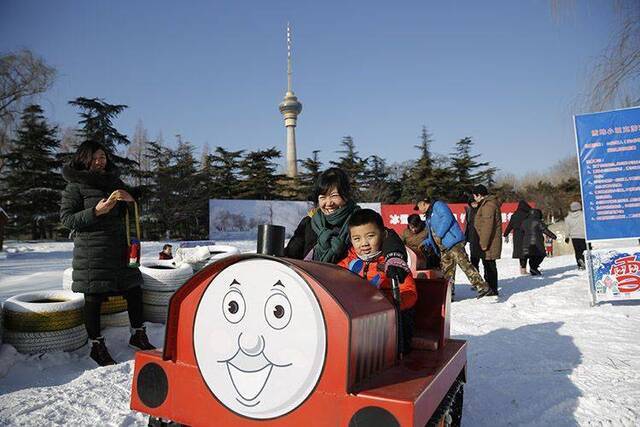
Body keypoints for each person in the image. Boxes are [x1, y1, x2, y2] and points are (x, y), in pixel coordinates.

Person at [60, 141, 155, 367]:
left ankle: (138, 334)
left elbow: (128, 207)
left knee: (134, 290)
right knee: (93, 298)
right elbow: (66, 219)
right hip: (93, 252)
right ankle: (97, 346)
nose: (99, 161)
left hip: (119, 249)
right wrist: (95, 211)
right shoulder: (75, 186)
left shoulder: (115, 182)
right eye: (94, 157)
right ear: (84, 159)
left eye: (102, 156)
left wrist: (130, 199)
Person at [285, 167, 410, 282]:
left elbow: (386, 235)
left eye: (334, 196)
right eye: (322, 197)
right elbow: (290, 255)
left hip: (346, 290)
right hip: (311, 287)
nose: (328, 203)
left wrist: (394, 258)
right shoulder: (309, 223)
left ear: (346, 195)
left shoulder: (357, 219)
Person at [338, 209, 417, 352]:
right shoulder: (345, 264)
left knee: (402, 319)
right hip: (357, 318)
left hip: (386, 318)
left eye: (370, 236)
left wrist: (386, 302)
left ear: (382, 235)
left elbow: (409, 292)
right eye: (357, 239)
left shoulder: (392, 263)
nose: (364, 243)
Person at [416, 198, 491, 298]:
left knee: (464, 264)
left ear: (423, 203)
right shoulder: (428, 216)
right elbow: (432, 234)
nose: (418, 209)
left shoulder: (438, 205)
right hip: (443, 247)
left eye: (418, 207)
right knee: (447, 271)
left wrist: (439, 234)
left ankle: (482, 287)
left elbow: (447, 218)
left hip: (453, 242)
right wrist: (427, 242)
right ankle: (448, 294)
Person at [472, 185, 502, 296]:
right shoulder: (486, 204)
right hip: (488, 241)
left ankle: (492, 289)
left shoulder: (488, 206)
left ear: (479, 195)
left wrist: (483, 244)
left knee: (490, 266)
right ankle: (490, 288)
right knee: (487, 265)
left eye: (474, 196)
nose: (474, 199)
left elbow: (487, 227)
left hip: (489, 242)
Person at [520, 208, 557, 275]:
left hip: (526, 242)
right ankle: (533, 268)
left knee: (531, 256)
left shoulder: (524, 222)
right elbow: (545, 230)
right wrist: (553, 236)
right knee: (541, 255)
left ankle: (533, 269)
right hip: (537, 242)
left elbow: (521, 231)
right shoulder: (538, 221)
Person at [503, 200, 532, 275]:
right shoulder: (528, 215)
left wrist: (505, 234)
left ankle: (522, 269)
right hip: (526, 235)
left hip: (517, 236)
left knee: (520, 253)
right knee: (526, 253)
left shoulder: (514, 215)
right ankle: (525, 269)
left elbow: (510, 226)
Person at [564, 201, 586, 270]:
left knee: (577, 251)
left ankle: (580, 264)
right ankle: (586, 261)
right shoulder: (584, 215)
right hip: (584, 236)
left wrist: (567, 237)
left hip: (574, 237)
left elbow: (567, 228)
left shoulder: (568, 218)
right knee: (585, 250)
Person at [464, 200, 482, 270]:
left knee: (486, 261)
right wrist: (465, 238)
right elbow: (467, 225)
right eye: (472, 203)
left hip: (482, 237)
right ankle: (477, 278)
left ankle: (487, 279)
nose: (474, 204)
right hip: (472, 237)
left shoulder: (482, 210)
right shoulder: (469, 211)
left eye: (475, 202)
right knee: (474, 260)